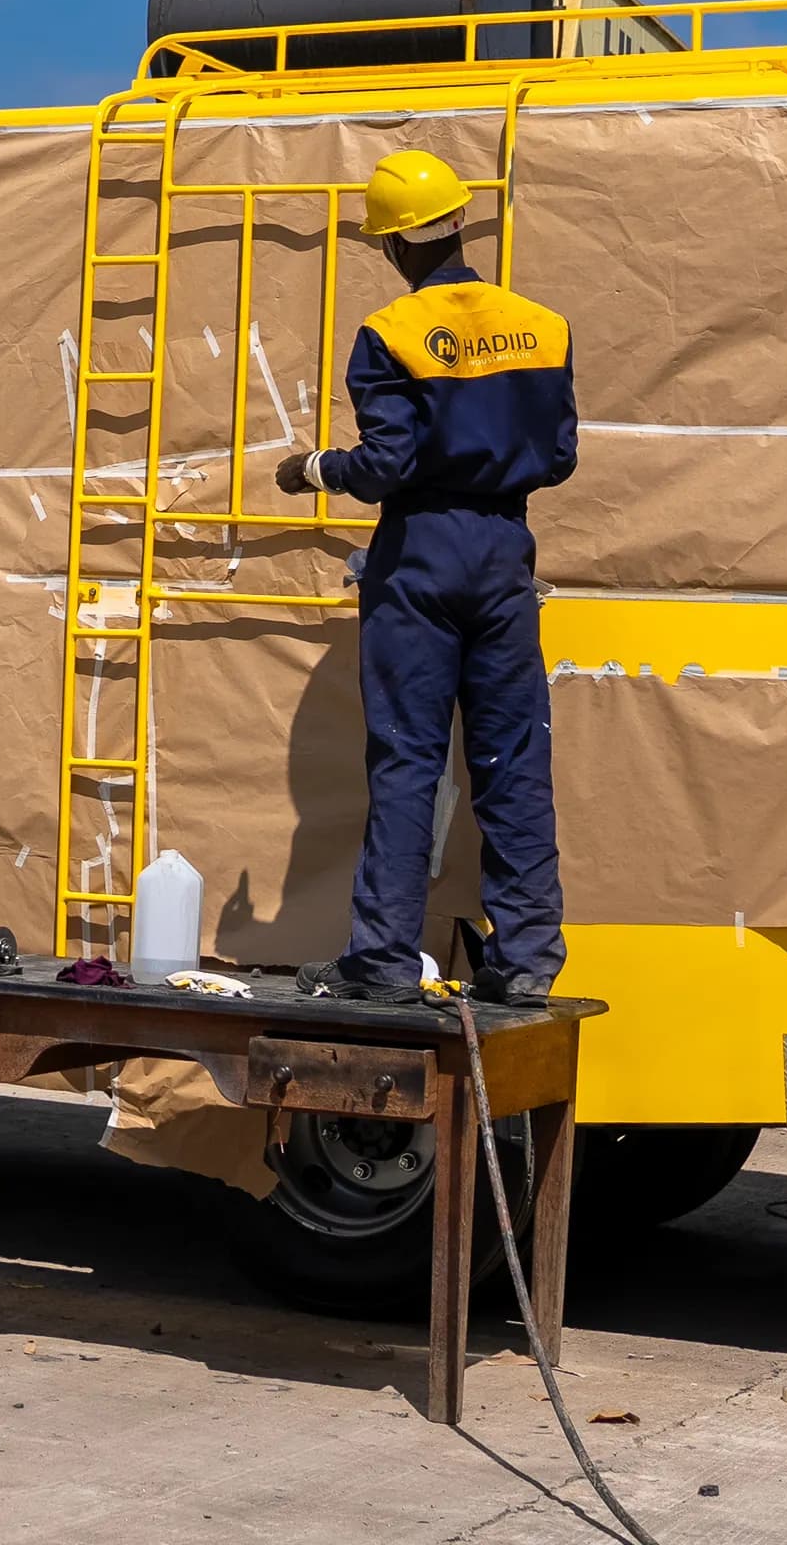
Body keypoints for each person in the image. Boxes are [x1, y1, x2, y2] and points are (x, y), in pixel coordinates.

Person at [274, 148, 578, 1005]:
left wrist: (316, 468)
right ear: (458, 224)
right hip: (504, 552)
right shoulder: (542, 325)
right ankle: (524, 961)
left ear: (398, 246)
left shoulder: (391, 334)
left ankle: (382, 962)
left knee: (408, 761)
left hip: (422, 553)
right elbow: (558, 457)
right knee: (513, 758)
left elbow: (388, 463)